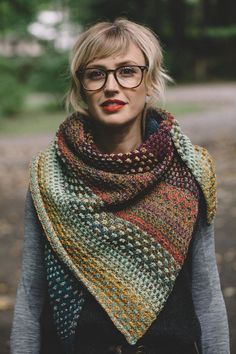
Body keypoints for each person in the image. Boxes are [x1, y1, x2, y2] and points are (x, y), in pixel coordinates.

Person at [10, 18, 230, 354]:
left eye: (127, 71)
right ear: (80, 86)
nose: (112, 86)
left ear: (151, 80)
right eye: (96, 73)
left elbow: (207, 293)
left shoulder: (188, 171)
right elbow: (30, 296)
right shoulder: (48, 175)